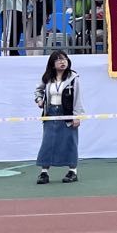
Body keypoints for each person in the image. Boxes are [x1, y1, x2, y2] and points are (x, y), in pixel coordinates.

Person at [34, 51, 83, 183]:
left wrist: (77, 116)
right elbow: (38, 90)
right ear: (52, 63)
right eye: (59, 60)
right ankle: (44, 173)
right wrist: (39, 100)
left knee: (70, 142)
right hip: (50, 113)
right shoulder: (48, 77)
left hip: (67, 113)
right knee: (47, 142)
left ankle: (72, 171)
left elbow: (78, 97)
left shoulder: (73, 77)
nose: (62, 62)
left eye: (65, 59)